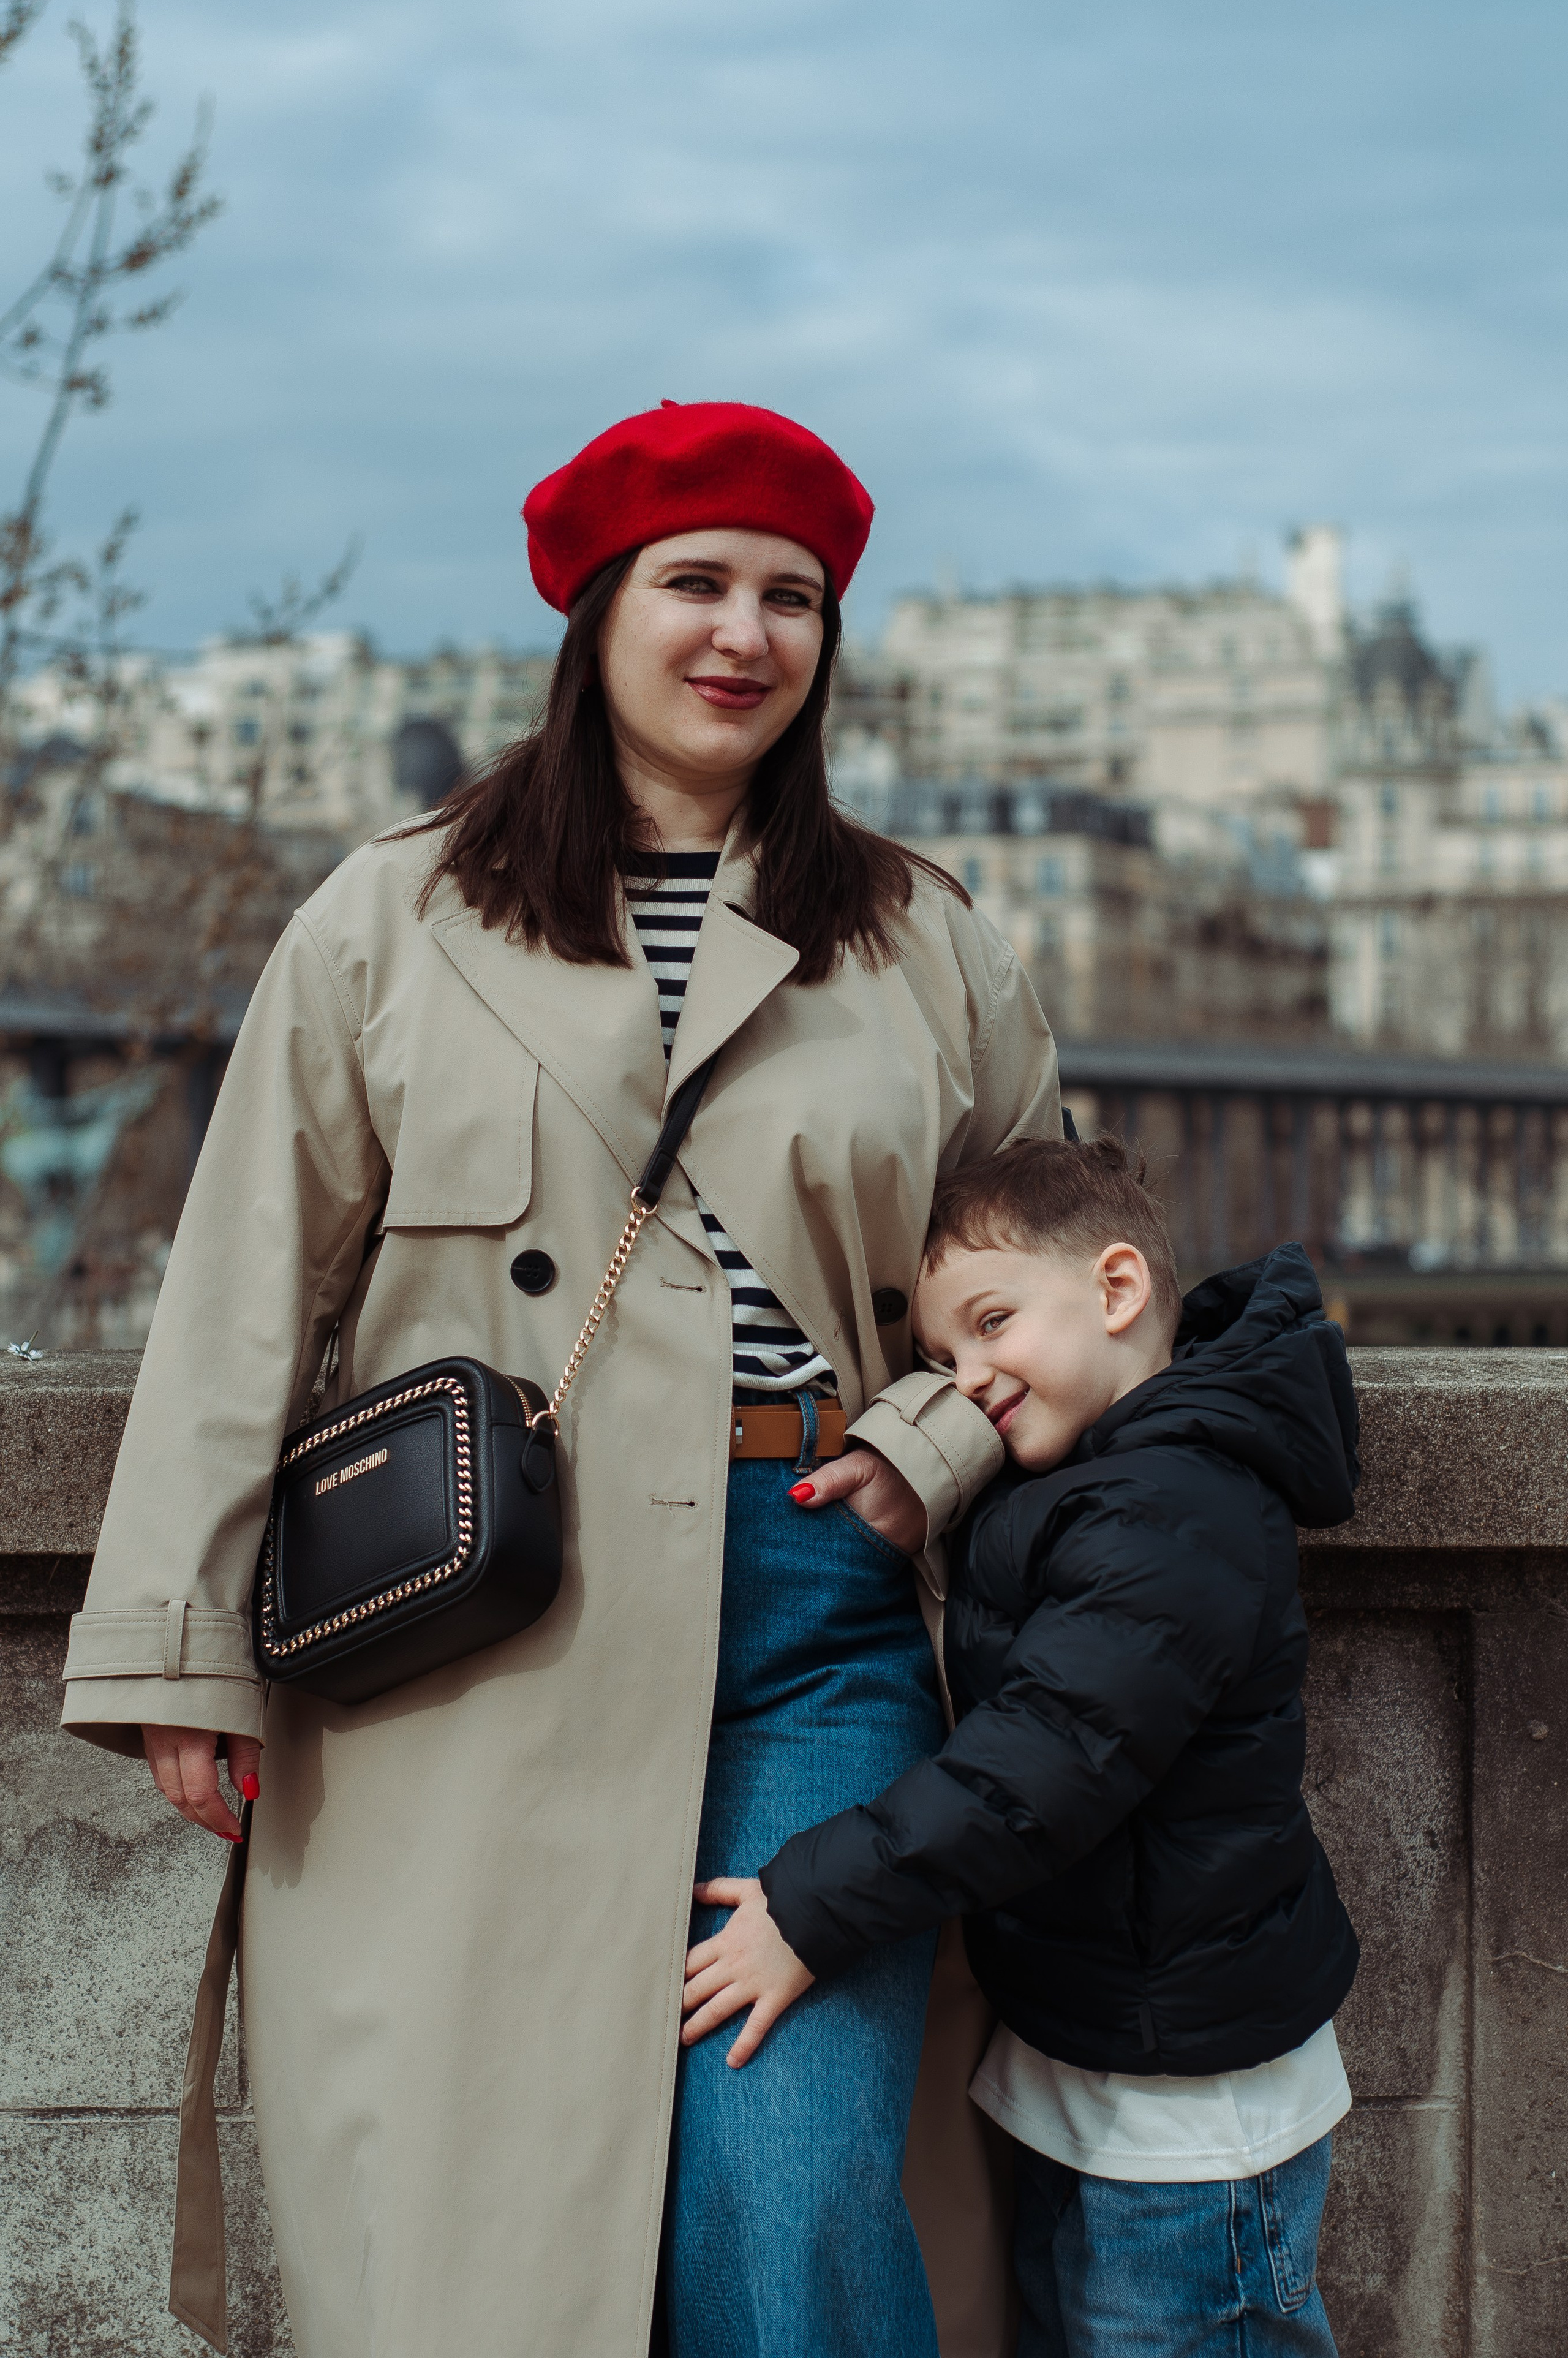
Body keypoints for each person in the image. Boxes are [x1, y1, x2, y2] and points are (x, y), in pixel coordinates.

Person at [58, 401, 1061, 2358]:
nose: (745, 635)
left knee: (794, 2202)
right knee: (485, 2236)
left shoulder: (929, 938)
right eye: (697, 583)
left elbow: (1064, 1278)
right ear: (598, 616)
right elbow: (247, 1290)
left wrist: (934, 1431)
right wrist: (183, 1644)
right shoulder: (389, 916)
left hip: (821, 1624)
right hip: (478, 1624)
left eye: (793, 598)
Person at [681, 1135, 1362, 2357]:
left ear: (1115, 1289)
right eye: (941, 1354)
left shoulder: (1173, 1506)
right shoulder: (1105, 1471)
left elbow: (1036, 1768)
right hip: (1108, 2072)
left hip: (1189, 2128)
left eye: (992, 1324)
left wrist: (805, 1903)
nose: (969, 1375)